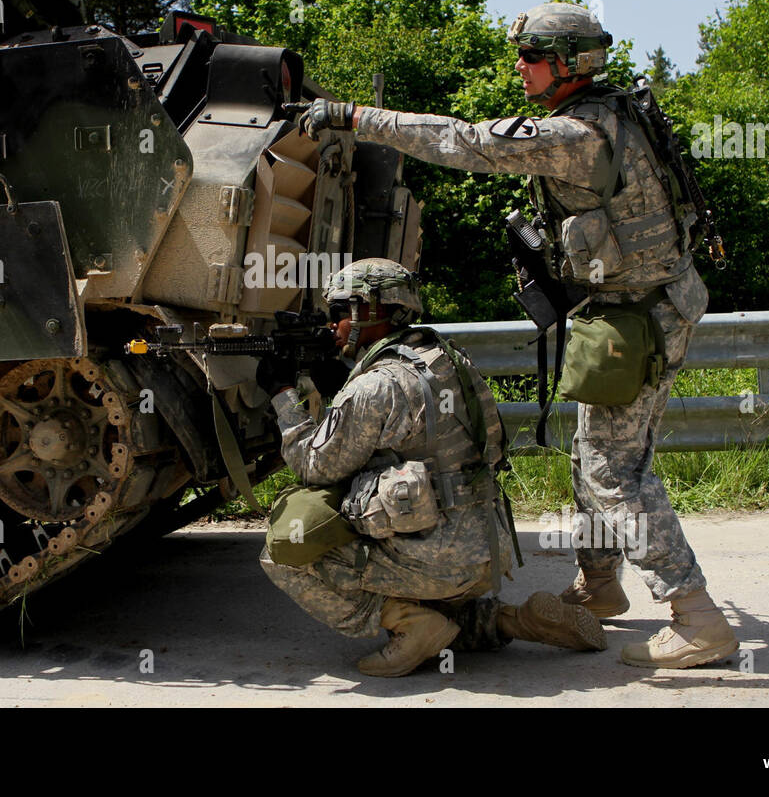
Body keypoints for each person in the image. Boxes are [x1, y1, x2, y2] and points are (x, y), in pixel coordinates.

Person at [295, 3, 738, 670]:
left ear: (568, 64)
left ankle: (696, 616)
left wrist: (354, 117)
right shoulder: (617, 112)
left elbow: (460, 142)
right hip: (639, 308)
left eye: (531, 58)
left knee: (615, 470)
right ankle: (599, 586)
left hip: (637, 318)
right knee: (593, 455)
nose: (520, 69)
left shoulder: (576, 135)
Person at [258, 257, 606, 678]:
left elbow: (314, 466)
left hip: (432, 559)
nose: (333, 327)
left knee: (285, 554)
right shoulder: (447, 357)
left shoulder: (373, 386)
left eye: (338, 314)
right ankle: (515, 619)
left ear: (368, 311)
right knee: (443, 613)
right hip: (486, 552)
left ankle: (411, 626)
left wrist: (282, 394)